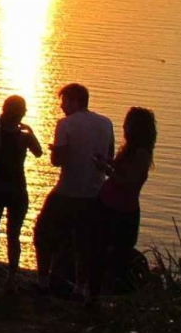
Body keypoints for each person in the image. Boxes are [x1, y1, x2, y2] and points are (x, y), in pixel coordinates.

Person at [34, 83, 116, 300]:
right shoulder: (106, 123)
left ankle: (43, 282)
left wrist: (57, 150)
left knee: (43, 234)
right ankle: (80, 287)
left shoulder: (65, 124)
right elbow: (109, 158)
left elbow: (57, 161)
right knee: (84, 242)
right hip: (94, 193)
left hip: (68, 191)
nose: (61, 106)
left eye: (64, 101)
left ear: (74, 101)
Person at [91, 106, 156, 302]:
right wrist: (107, 162)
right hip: (109, 205)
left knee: (117, 253)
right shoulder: (129, 150)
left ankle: (113, 294)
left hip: (121, 211)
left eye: (128, 123)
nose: (124, 126)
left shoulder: (142, 154)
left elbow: (130, 181)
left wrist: (107, 170)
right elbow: (121, 171)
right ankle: (97, 292)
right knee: (100, 249)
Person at [0, 95, 42, 282]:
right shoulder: (23, 138)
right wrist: (30, 132)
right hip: (18, 188)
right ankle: (12, 275)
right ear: (21, 114)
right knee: (13, 234)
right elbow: (39, 152)